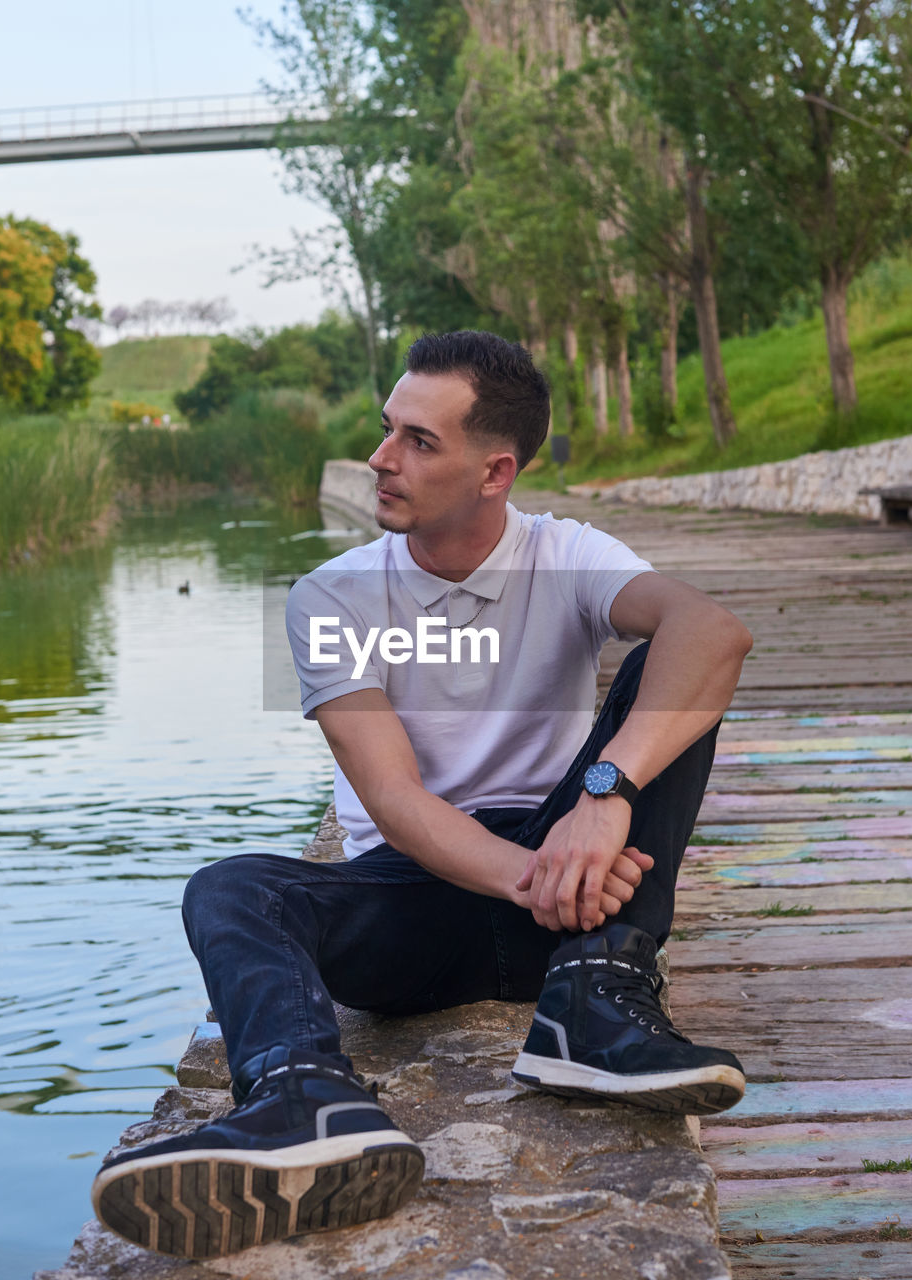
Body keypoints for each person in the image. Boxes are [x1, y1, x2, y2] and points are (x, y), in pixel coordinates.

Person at [91, 331, 753, 1262]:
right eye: (385, 431)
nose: (379, 458)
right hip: (431, 902)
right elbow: (394, 799)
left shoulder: (565, 554)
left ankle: (595, 1008)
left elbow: (713, 629)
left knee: (674, 667)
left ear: (495, 471)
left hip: (570, 901)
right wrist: (541, 877)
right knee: (231, 887)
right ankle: (302, 1099)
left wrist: (603, 795)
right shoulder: (329, 595)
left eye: (416, 441)